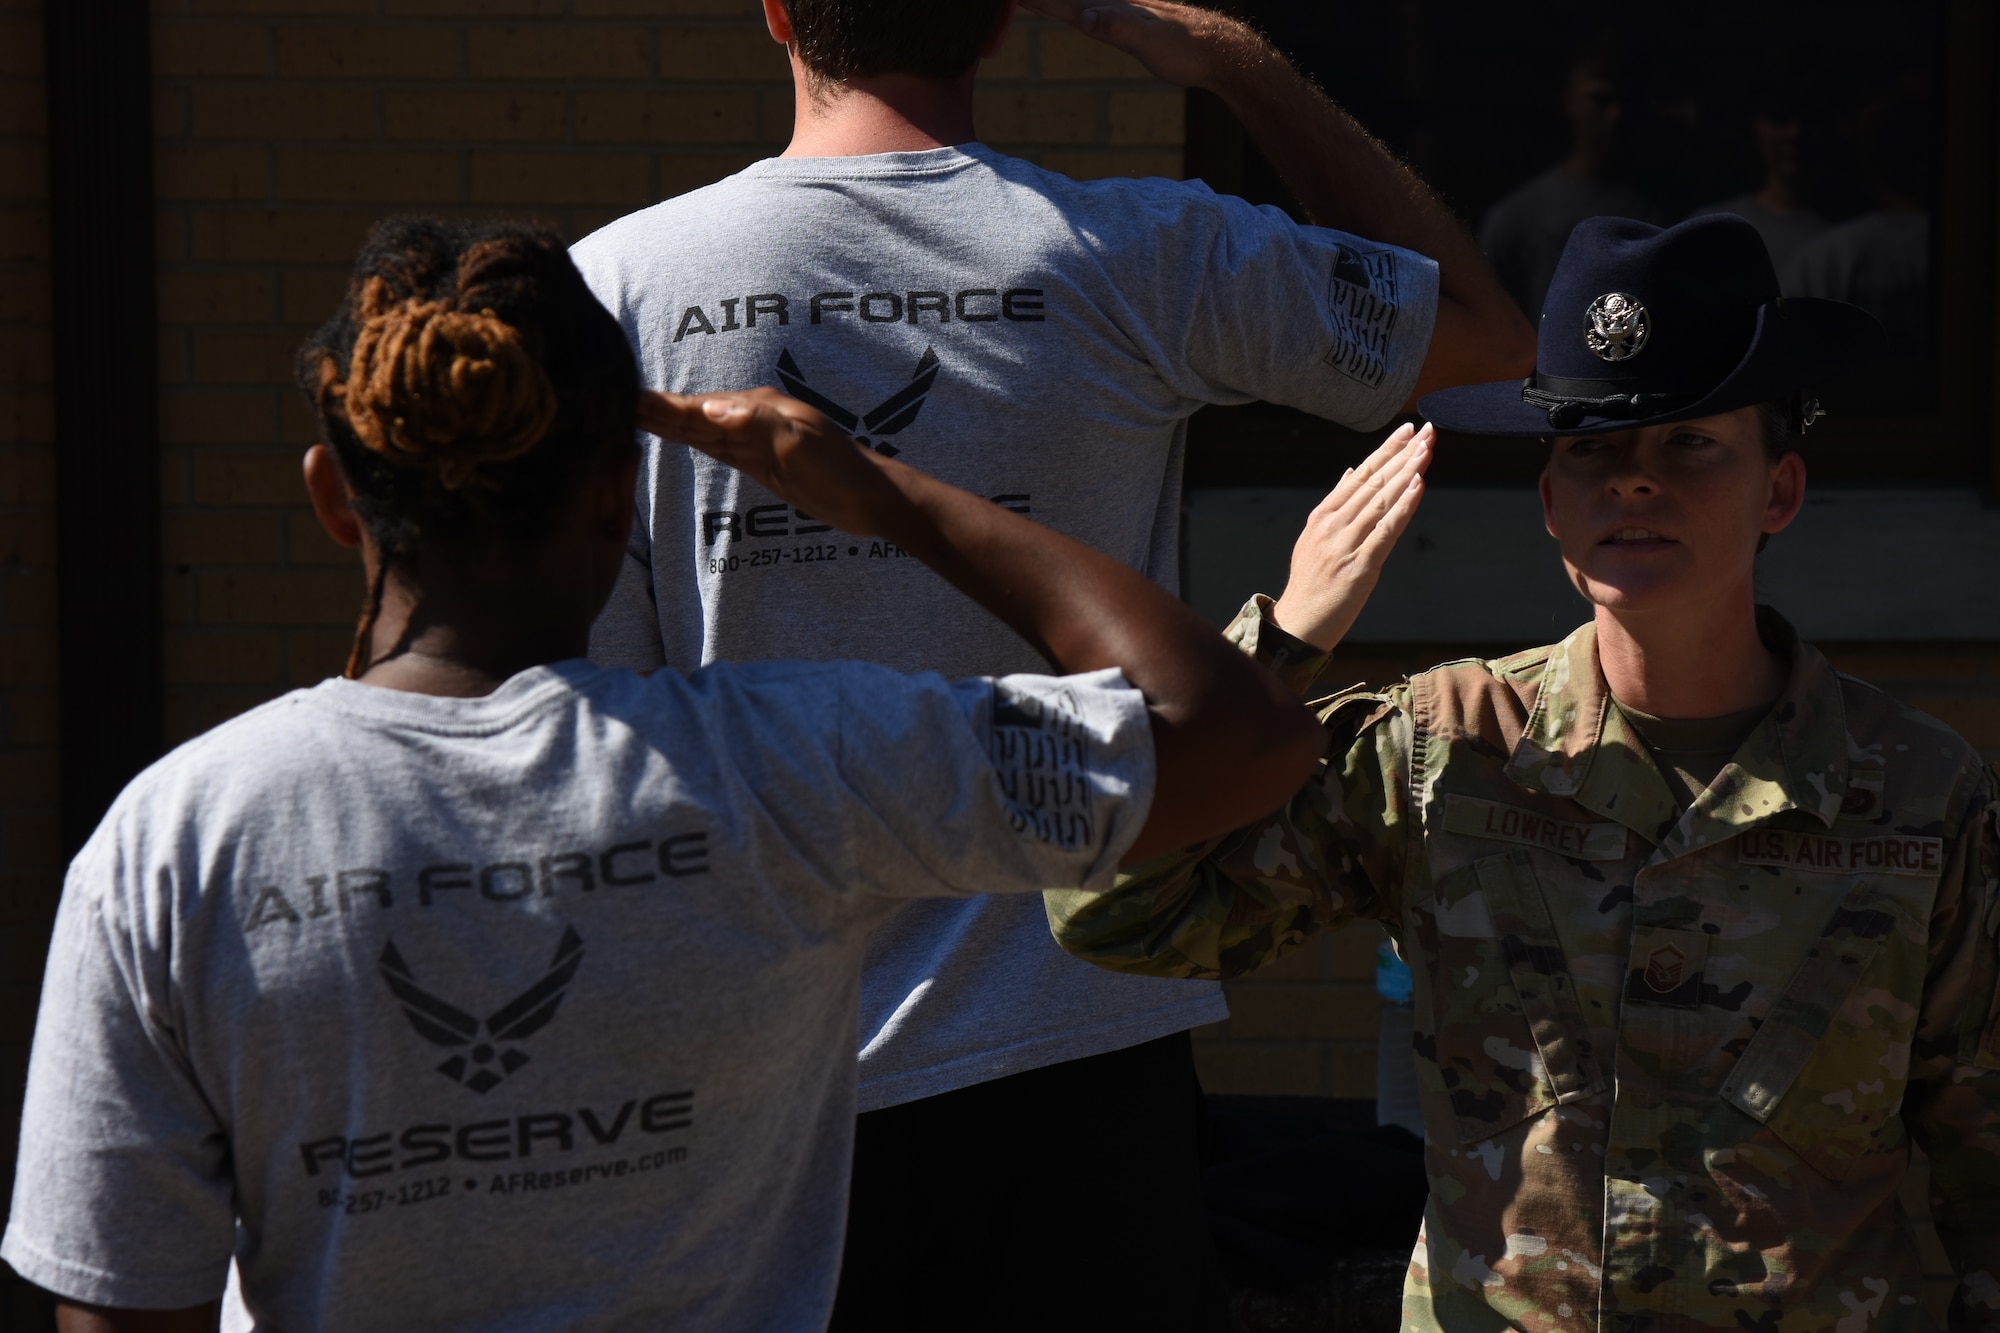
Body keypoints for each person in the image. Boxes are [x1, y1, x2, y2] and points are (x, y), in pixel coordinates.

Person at [0, 215, 1383, 1331]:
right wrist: (880, 490)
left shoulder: (173, 843)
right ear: (621, 490)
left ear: (326, 497)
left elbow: (125, 1299)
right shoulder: (792, 766)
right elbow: (1236, 733)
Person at [570, 2, 1530, 1321]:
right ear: (1001, 23)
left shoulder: (609, 293)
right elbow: (1485, 339)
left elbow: (587, 731)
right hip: (1077, 1062)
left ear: (777, 14)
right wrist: (1233, 67)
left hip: (751, 1078)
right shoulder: (1144, 254)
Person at [1050, 213, 2000, 1331]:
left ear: (1777, 491)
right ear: (1550, 504)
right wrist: (1277, 653)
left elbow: (1982, 1147)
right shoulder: (1445, 746)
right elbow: (1117, 912)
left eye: (1687, 443)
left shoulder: (1915, 793)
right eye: (1591, 449)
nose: (1631, 484)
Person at [1481, 35, 1666, 322]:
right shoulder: (1518, 217)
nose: (1616, 116)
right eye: (1601, 100)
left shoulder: (1667, 206)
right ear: (1570, 101)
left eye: (1626, 102)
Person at [1686, 86, 1829, 279]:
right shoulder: (1711, 228)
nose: (1795, 133)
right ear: (1756, 127)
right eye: (1780, 119)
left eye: (1810, 121)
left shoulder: (1847, 239)